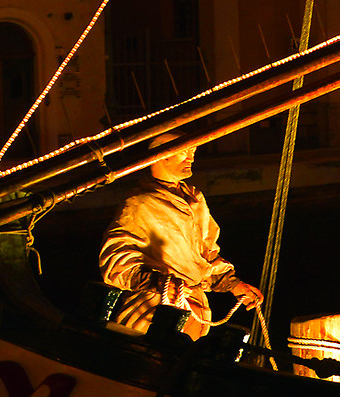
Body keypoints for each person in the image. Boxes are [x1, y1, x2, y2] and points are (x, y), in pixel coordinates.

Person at [97, 144, 262, 340]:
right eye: (183, 152)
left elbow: (204, 255)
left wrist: (232, 284)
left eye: (192, 152)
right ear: (159, 157)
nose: (190, 158)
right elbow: (116, 262)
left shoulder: (194, 199)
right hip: (151, 313)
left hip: (194, 310)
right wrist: (158, 282)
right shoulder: (140, 204)